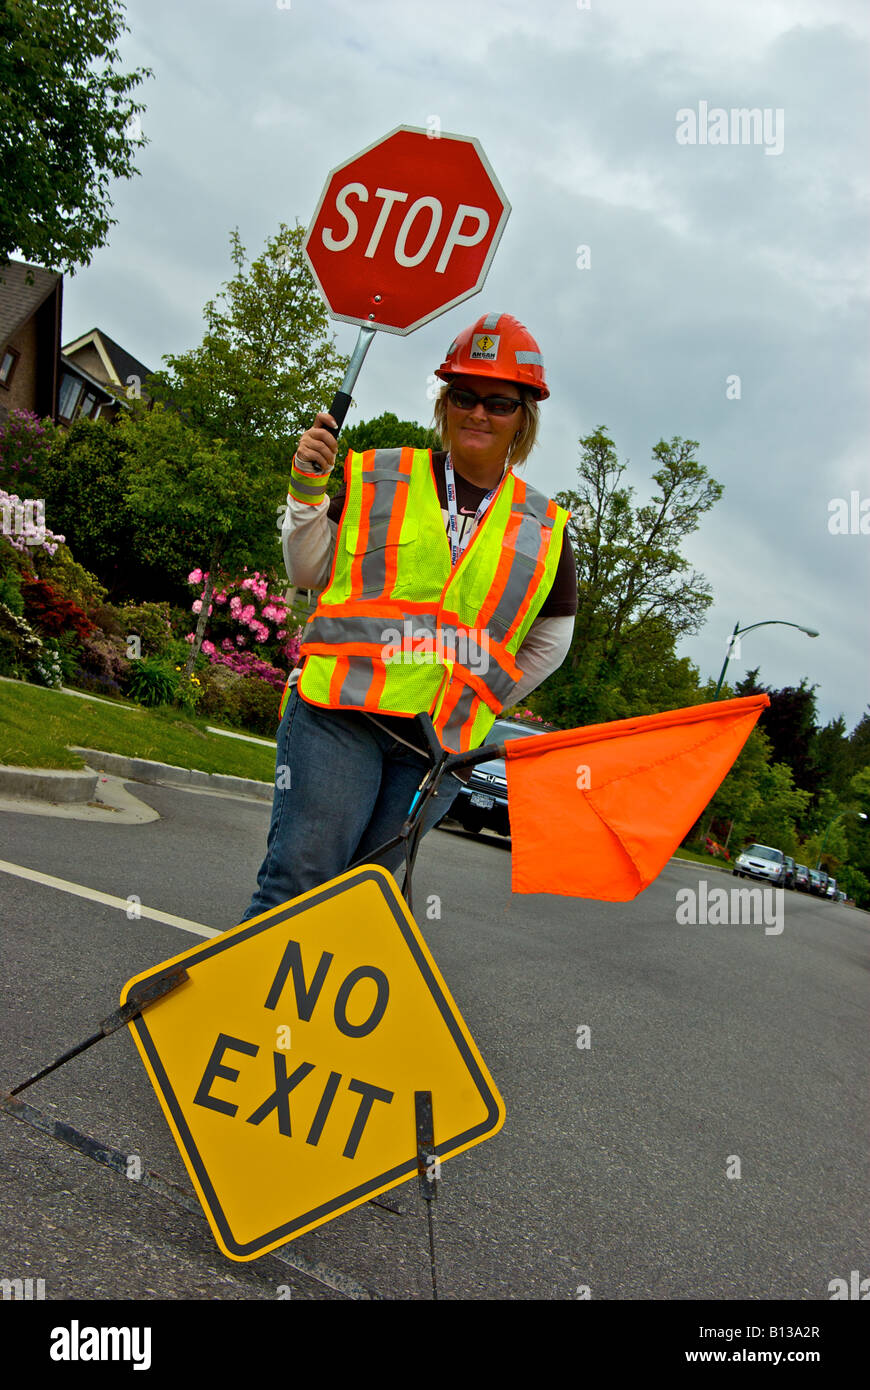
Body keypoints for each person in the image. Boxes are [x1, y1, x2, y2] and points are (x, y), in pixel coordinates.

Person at [240, 312, 577, 922]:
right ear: (445, 404)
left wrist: (481, 690)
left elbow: (550, 641)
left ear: (522, 418)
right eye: (465, 397)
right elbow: (307, 570)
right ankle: (237, 1014)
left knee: (351, 904)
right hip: (340, 718)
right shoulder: (384, 477)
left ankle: (301, 1017)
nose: (479, 414)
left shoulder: (542, 527)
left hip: (434, 746)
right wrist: (305, 490)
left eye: (499, 403)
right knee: (299, 881)